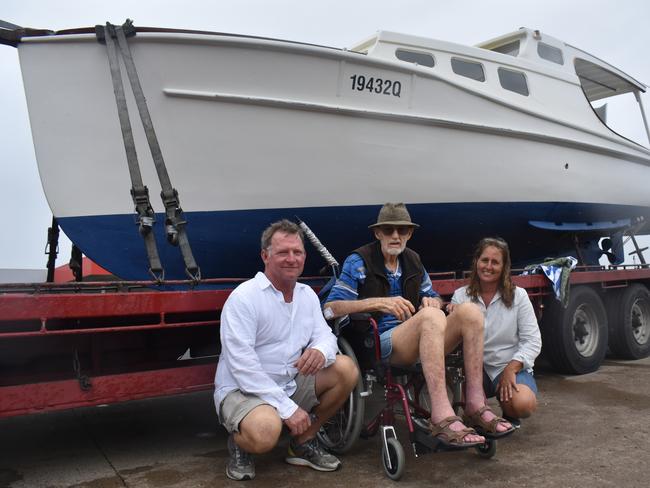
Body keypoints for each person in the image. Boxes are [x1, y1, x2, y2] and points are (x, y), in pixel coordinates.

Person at [324, 203, 513, 447]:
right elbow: (330, 308)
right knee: (431, 317)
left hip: (417, 336)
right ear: (377, 233)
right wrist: (379, 303)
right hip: (378, 342)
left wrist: (431, 300)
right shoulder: (358, 261)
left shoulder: (413, 260)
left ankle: (476, 404)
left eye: (402, 231)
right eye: (389, 230)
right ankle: (441, 415)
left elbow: (434, 296)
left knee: (470, 312)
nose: (395, 236)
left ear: (409, 234)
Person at [214, 219, 359, 481]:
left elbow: (326, 336)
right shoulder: (244, 298)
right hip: (244, 390)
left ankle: (302, 443)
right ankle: (240, 443)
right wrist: (287, 409)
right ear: (265, 256)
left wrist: (319, 351)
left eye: (298, 252)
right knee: (265, 432)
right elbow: (242, 366)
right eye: (283, 252)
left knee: (346, 369)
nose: (291, 259)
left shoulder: (307, 296)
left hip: (288, 382)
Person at [450, 237, 542, 425]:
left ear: (504, 267)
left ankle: (509, 409)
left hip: (507, 366)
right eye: (484, 260)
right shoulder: (461, 296)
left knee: (523, 404)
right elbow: (451, 341)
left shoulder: (519, 296)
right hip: (474, 369)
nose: (488, 267)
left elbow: (532, 341)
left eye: (495, 262)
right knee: (470, 413)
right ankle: (474, 408)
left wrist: (511, 368)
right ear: (476, 262)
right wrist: (452, 317)